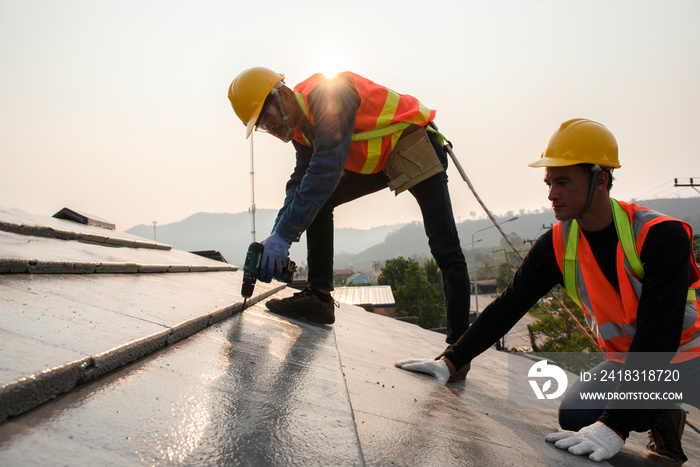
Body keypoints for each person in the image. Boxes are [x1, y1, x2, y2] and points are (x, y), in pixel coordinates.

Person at [395, 118, 700, 464]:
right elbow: (509, 305)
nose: (552, 193)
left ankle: (653, 404)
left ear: (600, 180)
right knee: (575, 416)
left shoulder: (661, 235)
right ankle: (662, 413)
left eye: (563, 182)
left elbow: (659, 335)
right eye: (549, 182)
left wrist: (615, 426)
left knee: (608, 419)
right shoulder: (559, 242)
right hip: (632, 364)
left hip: (691, 359)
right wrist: (452, 360)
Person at [228, 67, 471, 367]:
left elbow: (327, 168)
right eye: (262, 126)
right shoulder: (300, 129)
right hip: (383, 159)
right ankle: (319, 298)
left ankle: (458, 352)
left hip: (413, 143)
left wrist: (285, 236)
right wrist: (277, 237)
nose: (270, 129)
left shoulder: (331, 95)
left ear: (285, 96)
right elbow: (300, 183)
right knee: (318, 198)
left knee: (445, 248)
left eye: (268, 120)